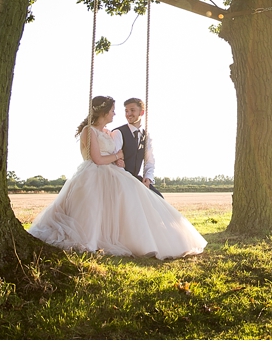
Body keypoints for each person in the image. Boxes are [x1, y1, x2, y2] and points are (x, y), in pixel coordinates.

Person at [27, 95, 206, 259]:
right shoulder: (89, 131)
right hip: (92, 173)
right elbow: (97, 159)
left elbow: (130, 156)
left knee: (137, 196)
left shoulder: (107, 132)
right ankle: (92, 240)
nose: (116, 114)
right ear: (104, 112)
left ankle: (155, 238)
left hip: (111, 171)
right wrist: (117, 157)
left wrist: (121, 162)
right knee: (93, 210)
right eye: (113, 110)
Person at [112, 97, 163, 198]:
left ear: (142, 112)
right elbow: (114, 162)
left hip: (136, 179)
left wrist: (148, 178)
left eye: (132, 110)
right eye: (126, 111)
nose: (128, 114)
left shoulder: (146, 136)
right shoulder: (118, 133)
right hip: (120, 180)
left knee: (159, 199)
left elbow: (150, 161)